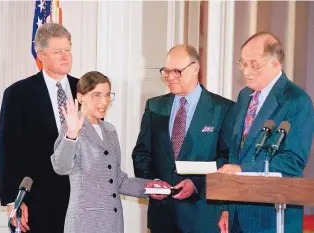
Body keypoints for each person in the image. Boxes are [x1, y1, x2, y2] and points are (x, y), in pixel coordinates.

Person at [218, 32, 314, 233]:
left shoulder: (296, 100)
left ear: (275, 63)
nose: (246, 71)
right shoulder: (245, 96)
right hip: (237, 213)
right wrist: (227, 208)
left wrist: (243, 170)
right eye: (243, 63)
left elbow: (293, 160)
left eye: (254, 64)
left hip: (273, 216)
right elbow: (236, 152)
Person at [132, 44, 234, 233]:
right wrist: (152, 181)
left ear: (195, 68)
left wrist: (196, 184)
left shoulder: (223, 109)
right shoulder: (154, 106)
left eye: (177, 71)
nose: (170, 77)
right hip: (162, 218)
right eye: (166, 71)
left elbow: (227, 159)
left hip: (203, 217)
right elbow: (141, 153)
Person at [0, 23, 78, 233]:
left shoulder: (84, 89)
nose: (65, 56)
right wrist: (13, 199)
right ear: (41, 55)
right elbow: (7, 149)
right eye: (58, 51)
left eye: (68, 49)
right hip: (39, 202)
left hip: (81, 200)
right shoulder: (18, 94)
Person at [51, 71, 149, 233]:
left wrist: (151, 187)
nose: (104, 102)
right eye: (96, 95)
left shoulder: (110, 131)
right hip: (85, 224)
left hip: (112, 223)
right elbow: (61, 167)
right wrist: (71, 135)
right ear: (80, 97)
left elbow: (117, 180)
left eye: (107, 95)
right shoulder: (72, 128)